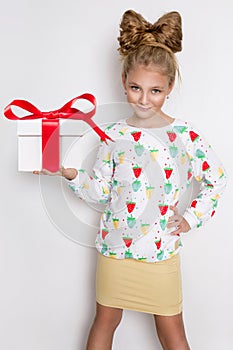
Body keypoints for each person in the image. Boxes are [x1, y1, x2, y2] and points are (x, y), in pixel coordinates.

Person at [34, 9, 227, 350]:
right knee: (104, 321)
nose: (143, 98)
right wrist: (69, 173)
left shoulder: (184, 135)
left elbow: (217, 179)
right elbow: (100, 193)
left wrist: (191, 218)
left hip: (160, 253)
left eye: (155, 90)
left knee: (173, 333)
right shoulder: (112, 135)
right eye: (136, 87)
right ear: (124, 82)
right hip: (115, 251)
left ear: (169, 87)